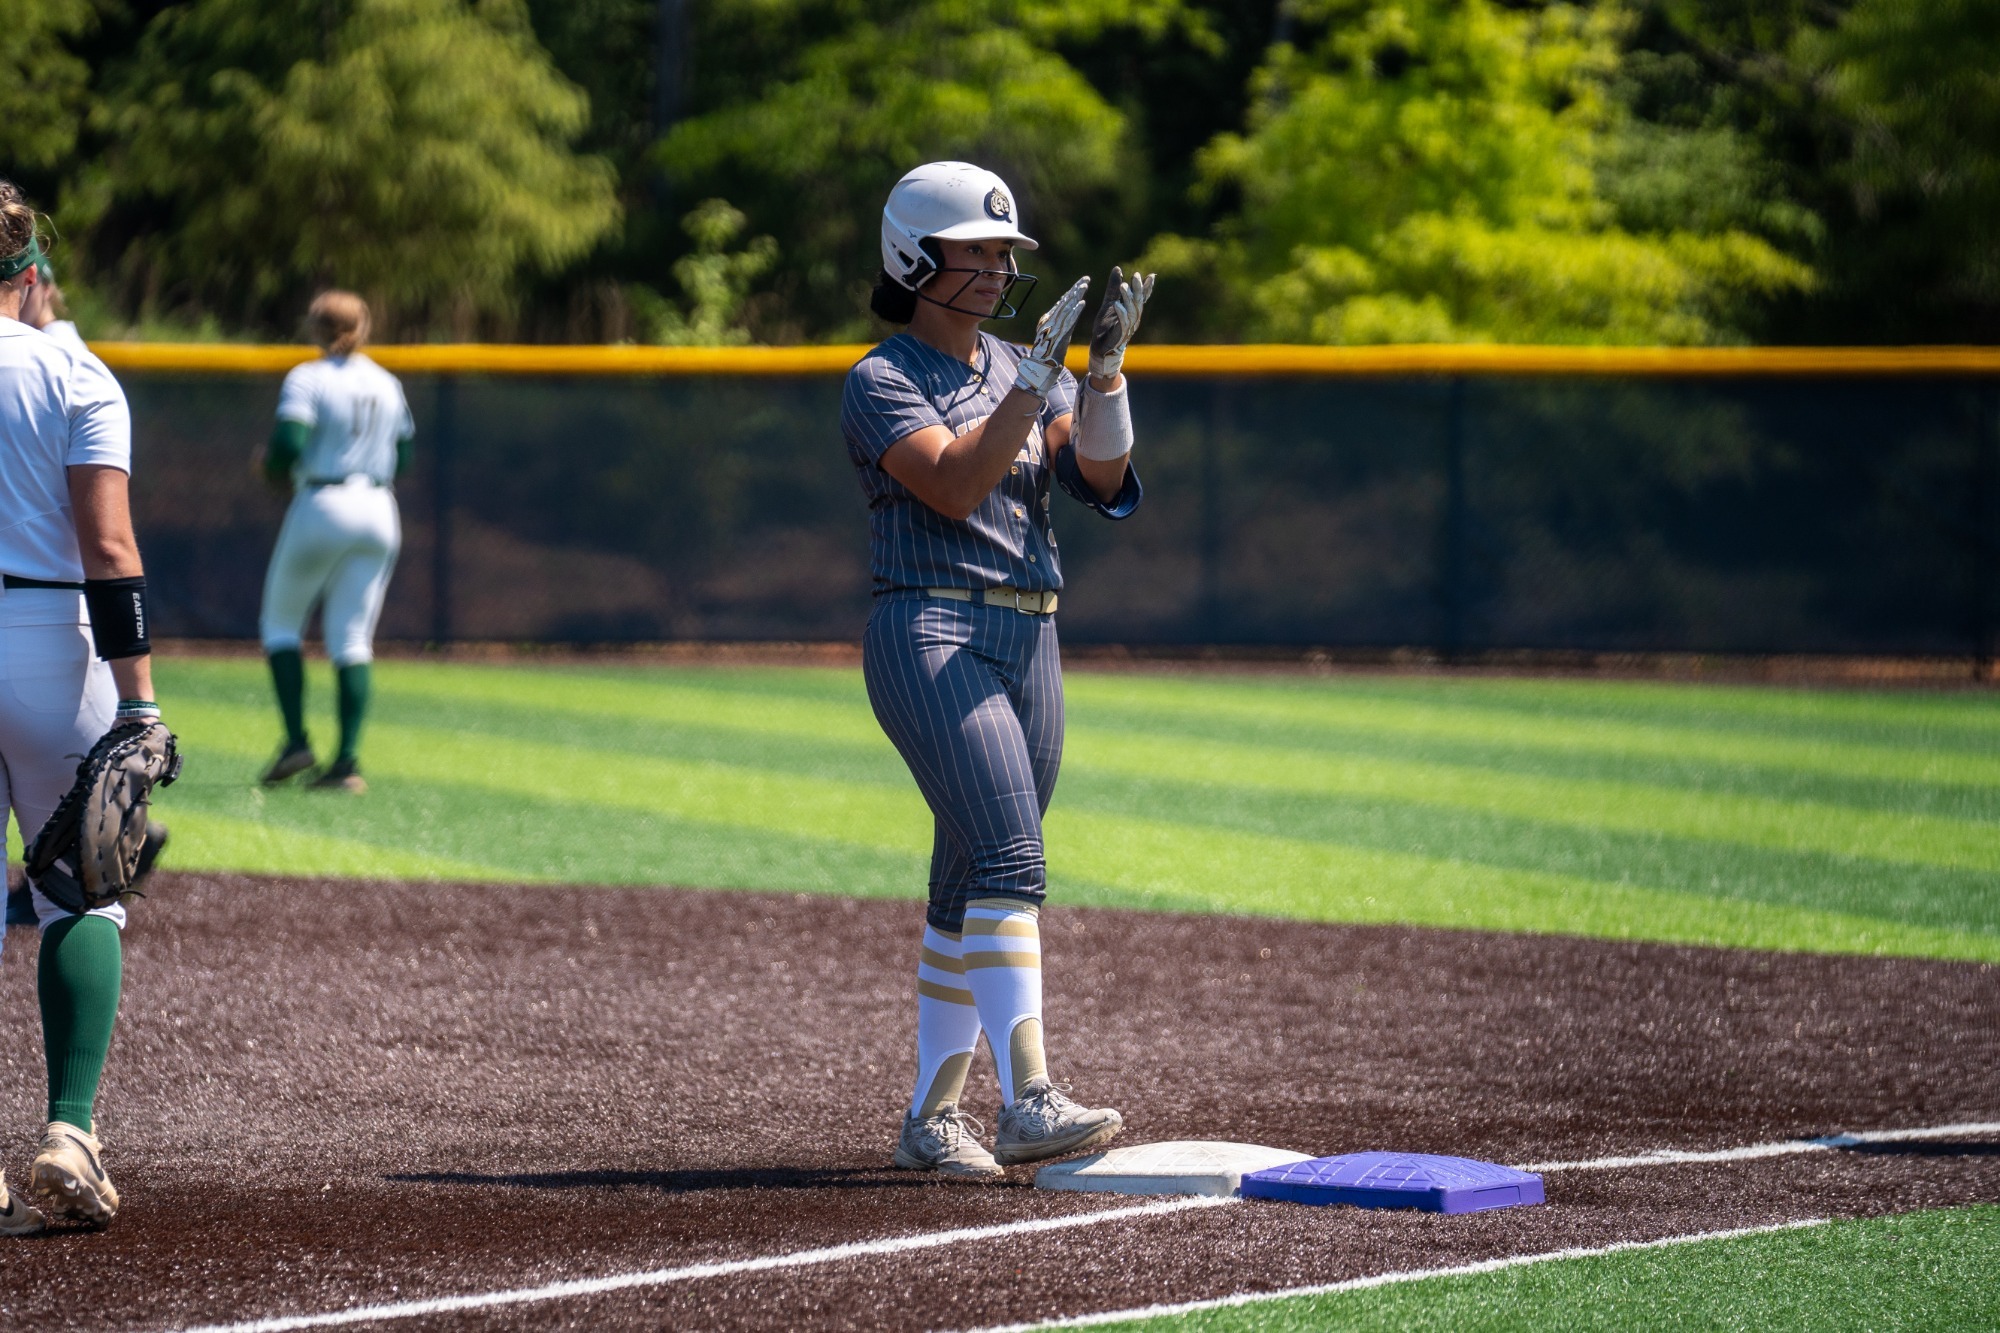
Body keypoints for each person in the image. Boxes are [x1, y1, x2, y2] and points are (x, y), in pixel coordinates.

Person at [841, 161, 1154, 1179]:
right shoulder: (881, 378)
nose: (995, 269)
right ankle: (1027, 1098)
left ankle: (931, 1119)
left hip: (1032, 634)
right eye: (973, 252)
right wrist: (1032, 381)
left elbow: (1098, 476)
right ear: (911, 258)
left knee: (970, 880)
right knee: (1014, 860)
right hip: (930, 630)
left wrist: (1102, 378)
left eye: (1002, 253)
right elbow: (954, 484)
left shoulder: (1029, 364)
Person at [0, 180, 162, 1230]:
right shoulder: (73, 370)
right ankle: (69, 1128)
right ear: (31, 272)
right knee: (80, 893)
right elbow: (108, 547)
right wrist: (138, 702)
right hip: (50, 640)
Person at [254, 291, 411, 794]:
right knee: (352, 638)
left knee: (281, 624)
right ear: (364, 327)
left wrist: (271, 468)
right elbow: (404, 455)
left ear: (314, 327)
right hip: (379, 505)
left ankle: (296, 741)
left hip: (323, 501)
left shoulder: (309, 377)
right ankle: (346, 763)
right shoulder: (387, 382)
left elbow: (289, 444)